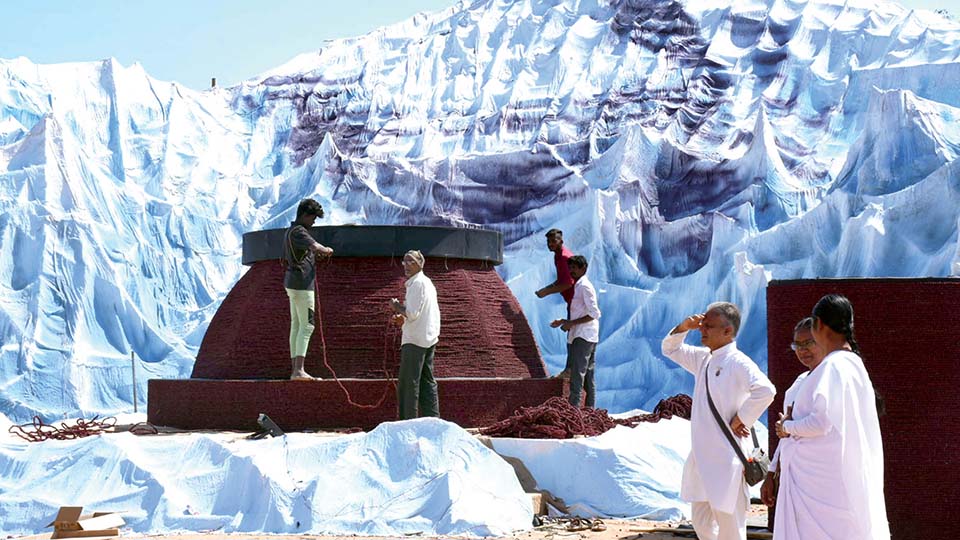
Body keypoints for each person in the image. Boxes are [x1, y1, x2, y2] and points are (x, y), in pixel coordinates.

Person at [773, 294, 889, 540]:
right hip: (830, 483)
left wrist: (788, 427)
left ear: (819, 325)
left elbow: (821, 422)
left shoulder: (833, 366)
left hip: (821, 490)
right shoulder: (852, 364)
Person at [661, 302, 776, 540]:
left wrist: (743, 418)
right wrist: (684, 326)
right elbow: (670, 349)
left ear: (727, 331)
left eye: (709, 326)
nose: (702, 330)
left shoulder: (738, 362)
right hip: (703, 458)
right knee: (702, 523)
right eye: (703, 325)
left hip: (728, 460)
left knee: (731, 529)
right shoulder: (704, 358)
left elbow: (766, 390)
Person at [760, 317, 826, 508]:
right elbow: (785, 436)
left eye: (809, 343)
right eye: (798, 345)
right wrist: (771, 474)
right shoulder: (798, 383)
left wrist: (787, 427)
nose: (803, 350)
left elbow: (821, 424)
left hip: (821, 474)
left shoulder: (831, 379)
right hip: (794, 474)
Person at [283, 198, 334, 380]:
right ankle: (299, 370)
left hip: (293, 283)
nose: (313, 222)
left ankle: (295, 369)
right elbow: (315, 246)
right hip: (302, 285)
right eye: (313, 218)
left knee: (296, 325)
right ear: (305, 215)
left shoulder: (290, 232)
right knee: (308, 326)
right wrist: (327, 250)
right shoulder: (300, 232)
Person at [390, 250, 441, 421]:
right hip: (428, 336)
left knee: (408, 384)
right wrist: (402, 319)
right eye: (404, 261)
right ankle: (432, 420)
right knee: (427, 383)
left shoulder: (417, 284)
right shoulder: (426, 283)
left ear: (420, 263)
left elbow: (412, 314)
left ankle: (407, 422)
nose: (406, 265)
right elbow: (419, 314)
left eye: (410, 261)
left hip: (415, 340)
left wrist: (397, 307)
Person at [549, 256, 600, 408]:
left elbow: (594, 313)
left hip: (583, 336)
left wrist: (571, 323)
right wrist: (564, 321)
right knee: (588, 376)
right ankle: (589, 411)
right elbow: (581, 312)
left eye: (574, 268)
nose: (571, 271)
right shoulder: (579, 286)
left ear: (583, 268)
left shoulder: (585, 287)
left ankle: (574, 412)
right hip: (584, 334)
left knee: (577, 375)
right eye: (570, 268)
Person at [535, 229, 576, 377]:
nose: (550, 244)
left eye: (553, 241)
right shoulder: (558, 256)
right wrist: (547, 288)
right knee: (572, 335)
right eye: (548, 242)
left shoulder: (565, 257)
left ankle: (570, 370)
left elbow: (568, 284)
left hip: (576, 301)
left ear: (561, 241)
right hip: (571, 301)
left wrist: (546, 292)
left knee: (574, 337)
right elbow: (561, 280)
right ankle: (570, 369)